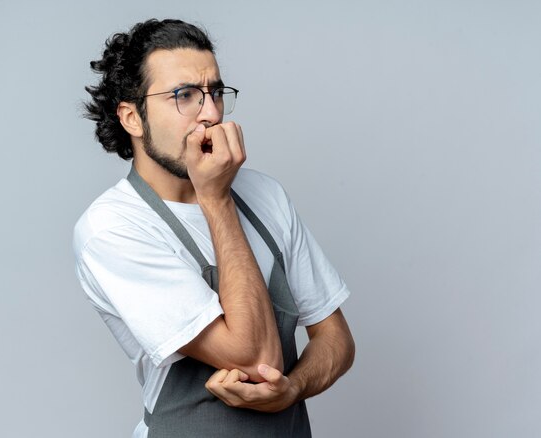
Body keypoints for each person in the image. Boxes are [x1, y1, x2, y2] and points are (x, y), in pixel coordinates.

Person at [73, 18, 355, 438]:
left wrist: (292, 388)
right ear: (132, 117)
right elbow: (254, 354)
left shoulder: (266, 195)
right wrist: (217, 199)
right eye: (184, 95)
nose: (210, 113)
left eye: (216, 92)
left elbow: (336, 338)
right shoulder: (113, 227)